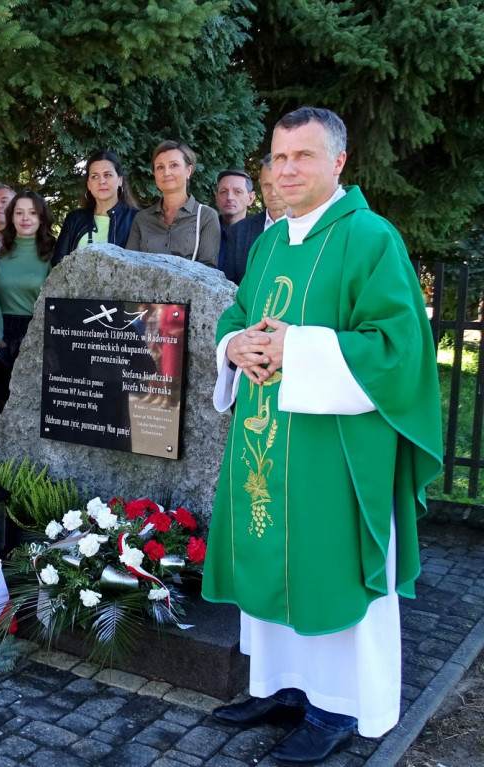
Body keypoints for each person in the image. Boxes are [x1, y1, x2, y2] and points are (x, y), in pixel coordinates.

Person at [203, 107, 442, 764]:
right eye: (279, 157)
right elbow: (240, 310)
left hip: (335, 452)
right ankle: (281, 684)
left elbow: (396, 348)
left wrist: (298, 352)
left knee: (327, 566)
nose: (287, 170)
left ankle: (337, 703)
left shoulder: (370, 239)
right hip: (265, 440)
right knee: (273, 558)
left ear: (339, 161)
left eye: (303, 156)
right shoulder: (271, 242)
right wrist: (235, 344)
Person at [0, 191, 56, 421]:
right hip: (3, 337)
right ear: (11, 217)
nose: (25, 218)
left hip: (42, 337)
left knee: (39, 413)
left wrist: (40, 338)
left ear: (42, 217)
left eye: (32, 212)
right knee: (6, 414)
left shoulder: (54, 255)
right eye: (19, 212)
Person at [125, 140, 220, 267]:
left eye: (174, 165)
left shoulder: (206, 217)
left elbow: (209, 270)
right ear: (154, 174)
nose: (166, 173)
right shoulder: (142, 219)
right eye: (160, 167)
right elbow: (129, 265)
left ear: (188, 171)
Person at [54, 151, 139, 263]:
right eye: (95, 176)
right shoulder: (74, 220)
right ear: (89, 184)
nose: (101, 181)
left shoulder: (137, 219)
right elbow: (58, 265)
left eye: (107, 175)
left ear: (120, 180)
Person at [223, 155, 288, 285]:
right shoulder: (239, 231)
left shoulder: (310, 228)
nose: (273, 193)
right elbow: (229, 285)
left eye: (279, 184)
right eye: (267, 185)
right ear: (260, 185)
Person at [214, 169, 256, 271]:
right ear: (216, 198)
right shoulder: (205, 230)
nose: (230, 197)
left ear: (250, 198)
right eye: (223, 192)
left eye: (238, 192)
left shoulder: (260, 233)